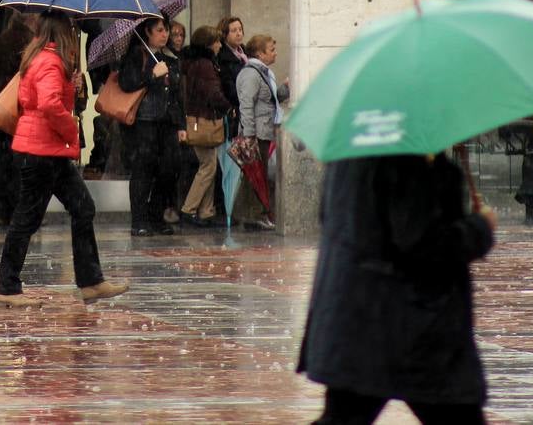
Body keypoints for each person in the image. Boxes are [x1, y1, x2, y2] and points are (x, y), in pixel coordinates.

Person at [299, 153, 497, 424]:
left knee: (344, 415)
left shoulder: (352, 150)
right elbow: (423, 240)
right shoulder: (405, 155)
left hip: (354, 318)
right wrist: (480, 228)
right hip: (413, 327)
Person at [0, 11, 128, 307]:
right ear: (62, 32)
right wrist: (72, 130)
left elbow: (50, 99)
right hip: (40, 151)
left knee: (83, 207)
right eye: (69, 28)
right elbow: (49, 105)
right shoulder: (50, 61)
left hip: (45, 150)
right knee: (27, 219)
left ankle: (91, 281)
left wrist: (73, 87)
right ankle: (7, 286)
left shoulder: (43, 58)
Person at [119, 16, 184, 236]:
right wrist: (151, 75)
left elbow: (177, 95)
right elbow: (127, 83)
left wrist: (181, 124)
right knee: (143, 171)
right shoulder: (138, 54)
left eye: (166, 29)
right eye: (159, 30)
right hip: (145, 122)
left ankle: (156, 215)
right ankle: (139, 220)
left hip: (167, 123)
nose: (165, 34)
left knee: (168, 169)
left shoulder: (170, 58)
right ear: (147, 32)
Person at [0, 12, 35, 225]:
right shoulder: (28, 42)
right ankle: (16, 211)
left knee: (2, 161)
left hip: (0, 107)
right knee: (18, 164)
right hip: (17, 108)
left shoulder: (3, 39)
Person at [235, 33, 289, 230]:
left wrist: (285, 89)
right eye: (271, 50)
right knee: (254, 175)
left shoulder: (264, 73)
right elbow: (246, 105)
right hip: (256, 133)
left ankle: (251, 214)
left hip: (264, 131)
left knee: (257, 175)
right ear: (260, 53)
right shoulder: (251, 73)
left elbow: (270, 100)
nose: (275, 53)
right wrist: (249, 135)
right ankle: (253, 214)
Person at [179, 25, 231, 226]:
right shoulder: (205, 65)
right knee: (208, 166)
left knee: (209, 164)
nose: (219, 45)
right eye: (216, 41)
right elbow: (212, 92)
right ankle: (189, 209)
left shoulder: (194, 63)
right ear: (208, 44)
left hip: (199, 118)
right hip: (203, 119)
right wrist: (227, 107)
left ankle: (206, 211)